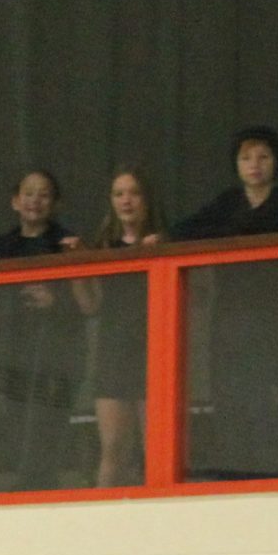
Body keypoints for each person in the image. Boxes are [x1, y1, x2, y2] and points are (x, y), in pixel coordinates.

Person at [172, 126, 278, 479]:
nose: (254, 165)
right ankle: (234, 472)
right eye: (246, 157)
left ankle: (272, 473)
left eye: (263, 156)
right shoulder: (227, 204)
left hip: (275, 317)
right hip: (230, 318)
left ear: (276, 162)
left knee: (271, 398)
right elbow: (184, 233)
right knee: (229, 395)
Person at [0, 170, 82, 489]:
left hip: (56, 353)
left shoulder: (66, 244)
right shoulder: (3, 246)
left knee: (48, 423)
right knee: (16, 419)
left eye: (44, 194)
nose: (35, 200)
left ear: (56, 203)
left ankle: (42, 483)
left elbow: (88, 304)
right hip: (11, 348)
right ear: (15, 201)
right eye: (29, 193)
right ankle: (25, 482)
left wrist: (55, 302)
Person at [72, 168, 166, 488]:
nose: (126, 200)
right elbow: (90, 306)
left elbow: (197, 297)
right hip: (114, 351)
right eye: (118, 194)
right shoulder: (103, 246)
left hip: (155, 348)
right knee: (113, 449)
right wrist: (77, 270)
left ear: (147, 199)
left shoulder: (165, 241)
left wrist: (162, 252)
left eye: (134, 192)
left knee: (155, 451)